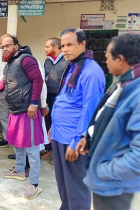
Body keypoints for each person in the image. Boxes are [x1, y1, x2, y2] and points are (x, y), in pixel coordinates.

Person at [76, 33, 140, 210]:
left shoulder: (136, 93)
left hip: (119, 188)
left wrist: (101, 170)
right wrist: (88, 137)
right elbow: (104, 118)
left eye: (107, 57)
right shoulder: (123, 83)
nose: (105, 62)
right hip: (109, 183)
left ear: (120, 59)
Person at [48, 28, 106, 210]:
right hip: (60, 135)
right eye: (63, 45)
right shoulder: (73, 67)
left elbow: (90, 110)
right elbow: (66, 100)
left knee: (77, 187)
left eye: (70, 44)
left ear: (82, 44)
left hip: (73, 139)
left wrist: (77, 141)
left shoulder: (91, 72)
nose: (65, 49)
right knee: (63, 183)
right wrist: (53, 127)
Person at [0, 36, 44, 199]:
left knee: (31, 148)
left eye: (7, 46)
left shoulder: (26, 59)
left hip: (28, 110)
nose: (4, 49)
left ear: (16, 46)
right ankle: (19, 170)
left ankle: (34, 184)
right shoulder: (10, 63)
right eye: (2, 46)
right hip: (15, 110)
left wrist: (34, 103)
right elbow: (5, 83)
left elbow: (38, 80)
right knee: (17, 143)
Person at [41, 37, 69, 165]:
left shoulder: (67, 61)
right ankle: (51, 149)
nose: (45, 49)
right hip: (48, 97)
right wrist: (44, 100)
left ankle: (60, 153)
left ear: (55, 47)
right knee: (48, 123)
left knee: (59, 124)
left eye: (47, 46)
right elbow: (42, 81)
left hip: (61, 97)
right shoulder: (46, 61)